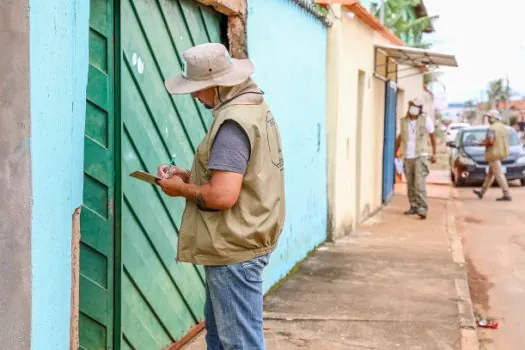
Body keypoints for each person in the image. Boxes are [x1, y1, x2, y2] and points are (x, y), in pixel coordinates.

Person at [156, 43, 286, 349]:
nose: (194, 95)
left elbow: (223, 196)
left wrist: (180, 190)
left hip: (234, 250)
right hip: (242, 241)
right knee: (220, 340)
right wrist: (188, 177)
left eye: (198, 88)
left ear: (216, 86)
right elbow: (241, 179)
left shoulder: (232, 123)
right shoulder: (256, 108)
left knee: (238, 344)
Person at [395, 97, 437, 219]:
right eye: (413, 105)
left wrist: (434, 153)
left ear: (420, 109)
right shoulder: (403, 121)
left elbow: (433, 136)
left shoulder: (426, 120)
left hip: (421, 155)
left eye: (417, 106)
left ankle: (422, 207)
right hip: (408, 156)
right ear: (409, 106)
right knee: (410, 183)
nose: (414, 108)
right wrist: (395, 152)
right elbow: (399, 137)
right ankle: (413, 206)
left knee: (419, 182)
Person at [473, 110, 512, 201]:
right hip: (501, 153)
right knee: (490, 175)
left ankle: (506, 194)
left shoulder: (492, 128)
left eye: (489, 117)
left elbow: (490, 141)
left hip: (493, 154)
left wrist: (480, 143)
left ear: (493, 118)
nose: (489, 119)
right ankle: (482, 192)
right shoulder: (503, 127)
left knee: (498, 174)